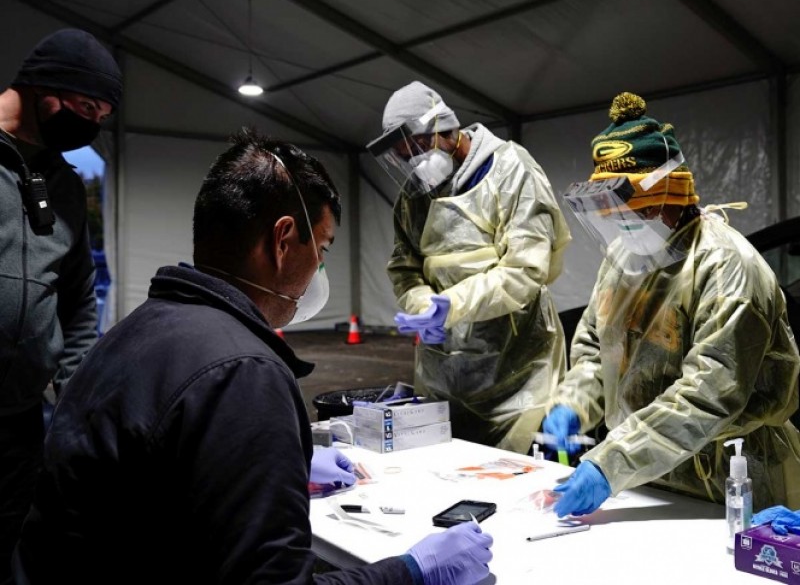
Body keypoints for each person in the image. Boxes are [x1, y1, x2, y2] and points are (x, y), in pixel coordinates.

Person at [12, 129, 493, 585]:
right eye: (322, 249)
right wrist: (414, 572)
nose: (319, 269)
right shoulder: (243, 371)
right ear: (283, 241)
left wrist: (275, 466)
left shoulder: (135, 330)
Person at [542, 92, 800, 518]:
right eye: (612, 211)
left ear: (671, 193)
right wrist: (573, 403)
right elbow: (596, 345)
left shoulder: (726, 267)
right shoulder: (625, 258)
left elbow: (709, 394)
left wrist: (611, 464)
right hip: (643, 471)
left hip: (729, 473)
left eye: (633, 208)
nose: (622, 222)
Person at [367, 81, 571, 453]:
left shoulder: (510, 170)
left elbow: (525, 269)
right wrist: (423, 306)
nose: (414, 164)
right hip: (444, 371)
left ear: (445, 129)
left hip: (518, 368)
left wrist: (451, 305)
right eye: (404, 156)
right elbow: (404, 267)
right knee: (450, 471)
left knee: (516, 475)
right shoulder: (415, 194)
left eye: (417, 149)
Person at [0, 28, 121, 581]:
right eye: (88, 107)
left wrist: (77, 400)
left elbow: (77, 301)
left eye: (103, 116)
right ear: (45, 87)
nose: (92, 124)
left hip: (19, 425)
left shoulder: (63, 184)